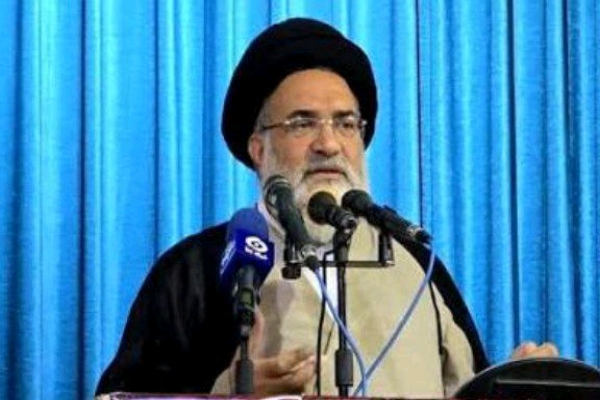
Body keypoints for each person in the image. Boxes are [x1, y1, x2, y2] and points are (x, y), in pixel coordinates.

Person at [95, 17, 558, 398]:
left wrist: (512, 387)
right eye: (302, 123)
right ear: (258, 149)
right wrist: (223, 395)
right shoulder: (196, 270)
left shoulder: (417, 264)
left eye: (346, 123)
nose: (329, 144)